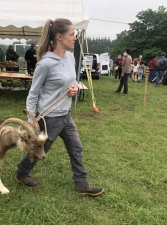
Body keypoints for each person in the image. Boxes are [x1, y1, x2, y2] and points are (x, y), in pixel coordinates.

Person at [16, 19, 104, 197]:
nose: (75, 38)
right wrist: (31, 120)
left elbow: (74, 82)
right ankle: (22, 173)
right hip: (50, 118)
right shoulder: (45, 64)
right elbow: (33, 93)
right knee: (39, 151)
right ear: (59, 37)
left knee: (76, 148)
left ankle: (82, 184)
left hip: (66, 115)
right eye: (72, 34)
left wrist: (76, 88)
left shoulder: (70, 57)